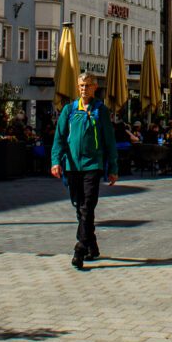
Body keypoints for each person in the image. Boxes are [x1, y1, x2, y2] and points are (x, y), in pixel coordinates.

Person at [50, 72, 119, 271]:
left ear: (95, 87)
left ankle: (79, 248)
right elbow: (60, 138)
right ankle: (92, 244)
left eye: (87, 85)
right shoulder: (69, 110)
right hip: (72, 166)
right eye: (81, 85)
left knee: (87, 205)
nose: (83, 89)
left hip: (92, 166)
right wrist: (56, 161)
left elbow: (109, 141)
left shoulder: (100, 111)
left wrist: (113, 167)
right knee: (79, 207)